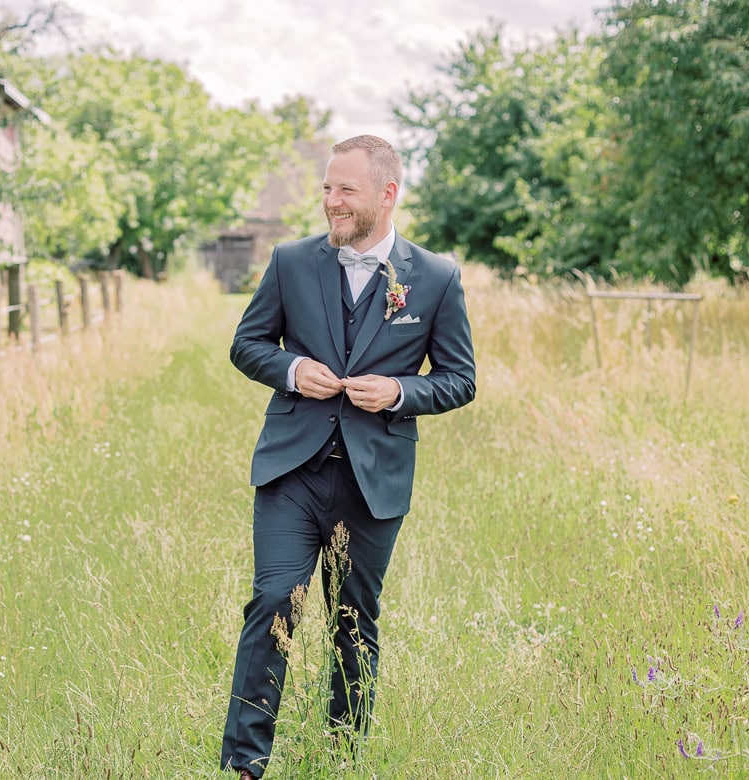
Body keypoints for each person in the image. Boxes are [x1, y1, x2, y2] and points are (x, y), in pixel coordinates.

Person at [221, 134, 476, 778]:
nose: (331, 201)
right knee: (274, 599)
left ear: (388, 196)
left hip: (374, 482)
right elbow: (247, 345)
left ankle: (342, 758)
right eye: (327, 188)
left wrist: (399, 391)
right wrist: (291, 369)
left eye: (346, 190)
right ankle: (244, 764)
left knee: (353, 620)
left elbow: (459, 379)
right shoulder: (290, 261)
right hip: (291, 470)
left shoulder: (437, 279)